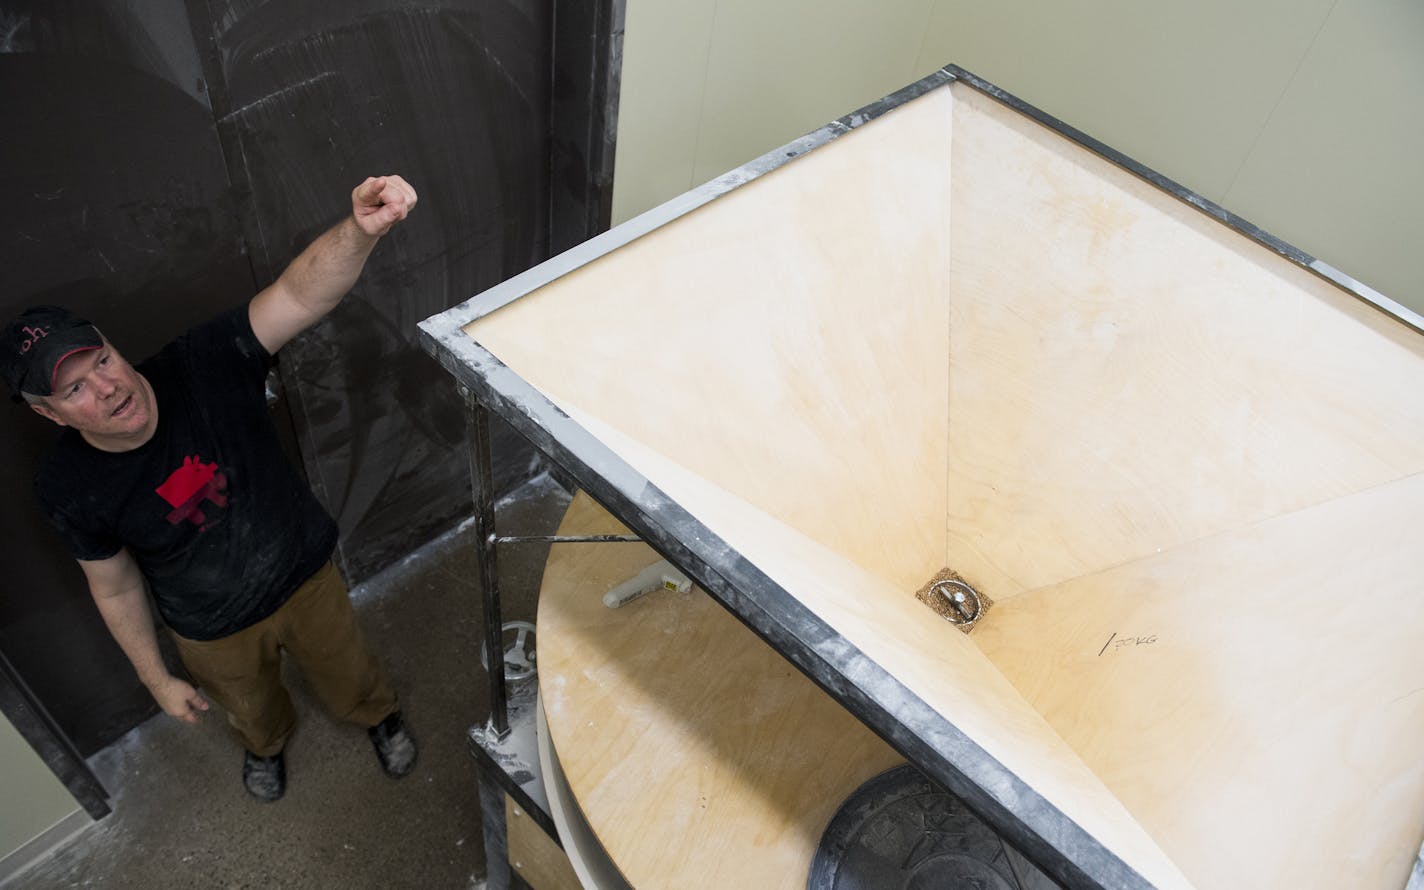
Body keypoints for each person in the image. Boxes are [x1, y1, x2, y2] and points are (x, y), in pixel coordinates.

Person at [4, 175, 420, 803]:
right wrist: (156, 681)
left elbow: (298, 297)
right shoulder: (67, 486)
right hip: (210, 629)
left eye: (103, 361)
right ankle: (265, 748)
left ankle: (379, 717)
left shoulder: (202, 363)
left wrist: (360, 230)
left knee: (350, 672)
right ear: (48, 413)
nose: (109, 386)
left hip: (304, 576)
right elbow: (113, 585)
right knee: (250, 711)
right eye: (75, 389)